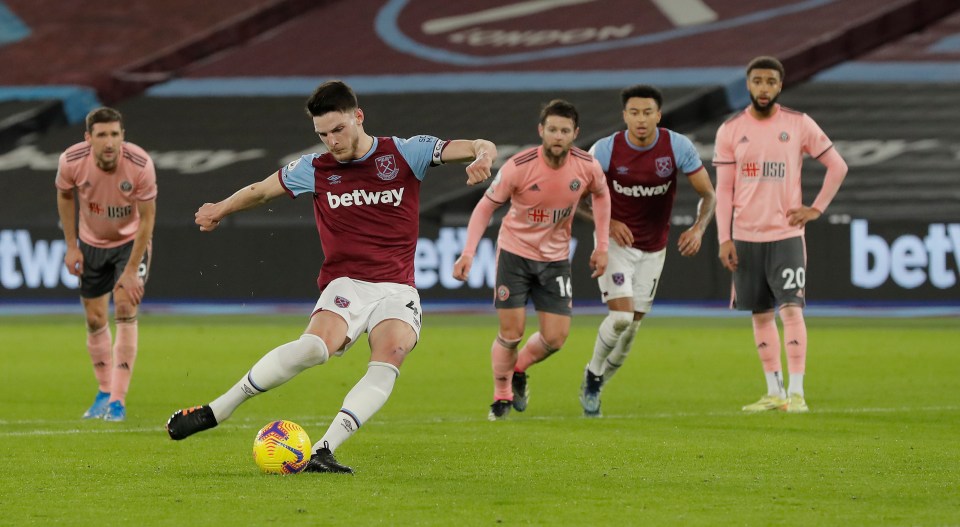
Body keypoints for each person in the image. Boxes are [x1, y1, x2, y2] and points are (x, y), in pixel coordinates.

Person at [164, 80, 496, 474]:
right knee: (314, 349)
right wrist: (220, 208)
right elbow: (260, 191)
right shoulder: (314, 169)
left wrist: (482, 157)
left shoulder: (405, 153)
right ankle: (217, 410)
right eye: (322, 134)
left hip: (397, 287)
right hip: (347, 283)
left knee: (390, 355)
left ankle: (324, 449)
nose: (331, 142)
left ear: (358, 116)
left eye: (338, 130)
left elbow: (479, 144)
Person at [453, 99, 611, 421]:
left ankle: (520, 369)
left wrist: (602, 245)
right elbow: (485, 207)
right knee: (511, 333)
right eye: (552, 129)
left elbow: (602, 195)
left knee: (556, 338)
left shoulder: (586, 167)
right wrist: (468, 251)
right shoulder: (519, 166)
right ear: (541, 130)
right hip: (515, 254)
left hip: (555, 259)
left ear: (574, 134)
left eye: (564, 131)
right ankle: (501, 396)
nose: (557, 135)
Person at [713, 56, 847, 413]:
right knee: (759, 314)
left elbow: (838, 165)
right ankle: (775, 393)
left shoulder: (798, 124)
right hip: (744, 237)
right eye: (757, 81)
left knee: (791, 309)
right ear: (748, 84)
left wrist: (815, 208)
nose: (764, 88)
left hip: (786, 235)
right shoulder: (730, 130)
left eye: (770, 82)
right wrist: (723, 238)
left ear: (780, 86)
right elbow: (723, 191)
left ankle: (798, 393)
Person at [577, 84, 716, 417]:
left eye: (647, 112)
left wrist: (698, 228)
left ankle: (599, 382)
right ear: (625, 115)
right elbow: (576, 198)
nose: (641, 119)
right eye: (634, 113)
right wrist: (608, 224)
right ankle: (593, 374)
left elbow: (708, 195)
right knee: (621, 317)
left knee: (632, 328)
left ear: (659, 114)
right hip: (616, 244)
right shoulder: (606, 149)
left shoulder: (677, 146)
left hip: (654, 249)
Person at [55, 107, 157, 423]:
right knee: (95, 317)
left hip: (130, 244)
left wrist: (130, 270)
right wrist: (72, 246)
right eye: (102, 135)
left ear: (122, 136)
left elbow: (147, 220)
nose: (109, 142)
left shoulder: (139, 164)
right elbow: (65, 195)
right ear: (89, 138)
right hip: (90, 244)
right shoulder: (71, 161)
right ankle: (103, 391)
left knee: (125, 308)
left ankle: (118, 400)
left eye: (115, 134)